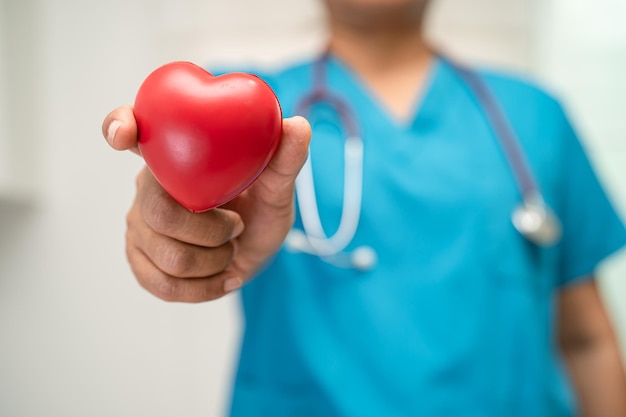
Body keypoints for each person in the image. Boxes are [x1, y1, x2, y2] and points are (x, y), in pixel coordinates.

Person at [102, 0, 626, 415]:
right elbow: (167, 211)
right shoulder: (246, 117)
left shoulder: (535, 117)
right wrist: (168, 236)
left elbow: (585, 340)